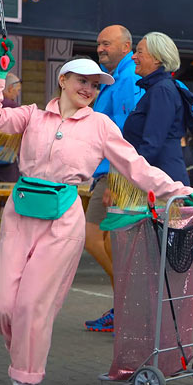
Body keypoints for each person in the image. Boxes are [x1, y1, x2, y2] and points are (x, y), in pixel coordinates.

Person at [0, 45, 193, 385]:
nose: (89, 89)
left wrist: (178, 190)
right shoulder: (32, 116)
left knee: (33, 303)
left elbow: (136, 166)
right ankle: (23, 350)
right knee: (3, 302)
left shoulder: (100, 125)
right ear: (63, 80)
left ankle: (25, 375)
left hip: (63, 220)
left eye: (95, 85)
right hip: (20, 215)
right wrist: (0, 76)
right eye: (83, 81)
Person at [83, 24, 144, 333]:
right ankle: (126, 303)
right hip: (108, 172)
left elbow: (127, 134)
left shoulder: (129, 79)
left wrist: (118, 178)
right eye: (98, 44)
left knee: (96, 238)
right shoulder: (114, 79)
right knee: (103, 241)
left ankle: (127, 303)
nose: (100, 49)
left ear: (126, 46)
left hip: (117, 174)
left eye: (106, 43)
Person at [122, 31, 191, 185]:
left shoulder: (162, 90)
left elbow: (152, 143)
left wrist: (129, 179)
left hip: (162, 183)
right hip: (158, 178)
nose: (133, 56)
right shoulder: (158, 88)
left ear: (157, 59)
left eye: (139, 52)